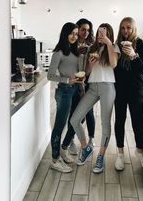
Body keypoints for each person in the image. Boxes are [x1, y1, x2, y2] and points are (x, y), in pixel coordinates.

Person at [71, 23, 120, 173]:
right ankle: (86, 148)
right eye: (99, 32)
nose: (101, 35)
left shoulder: (114, 47)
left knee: (105, 123)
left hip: (108, 87)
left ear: (109, 34)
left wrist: (108, 43)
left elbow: (113, 64)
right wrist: (90, 66)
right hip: (92, 87)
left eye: (104, 32)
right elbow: (86, 72)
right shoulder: (92, 48)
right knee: (74, 119)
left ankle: (101, 156)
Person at [114, 17, 143, 171]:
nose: (125, 31)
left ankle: (139, 151)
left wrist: (134, 55)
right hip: (120, 88)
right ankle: (120, 153)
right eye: (123, 28)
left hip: (135, 88)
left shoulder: (141, 44)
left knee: (137, 120)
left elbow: (142, 68)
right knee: (120, 119)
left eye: (128, 28)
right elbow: (113, 67)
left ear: (133, 28)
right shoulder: (116, 45)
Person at [47, 22, 84, 173]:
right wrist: (66, 80)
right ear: (65, 34)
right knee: (59, 125)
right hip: (64, 91)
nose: (75, 36)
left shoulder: (77, 52)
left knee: (76, 120)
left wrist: (80, 85)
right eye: (72, 33)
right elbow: (50, 75)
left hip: (76, 90)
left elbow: (78, 71)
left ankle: (64, 149)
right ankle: (55, 160)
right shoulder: (59, 52)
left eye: (76, 33)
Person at [61, 18, 96, 157]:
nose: (85, 32)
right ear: (77, 29)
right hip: (74, 83)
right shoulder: (71, 45)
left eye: (88, 30)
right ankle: (70, 142)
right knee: (75, 115)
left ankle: (91, 140)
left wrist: (90, 59)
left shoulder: (92, 46)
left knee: (89, 113)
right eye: (83, 29)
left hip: (88, 83)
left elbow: (89, 70)